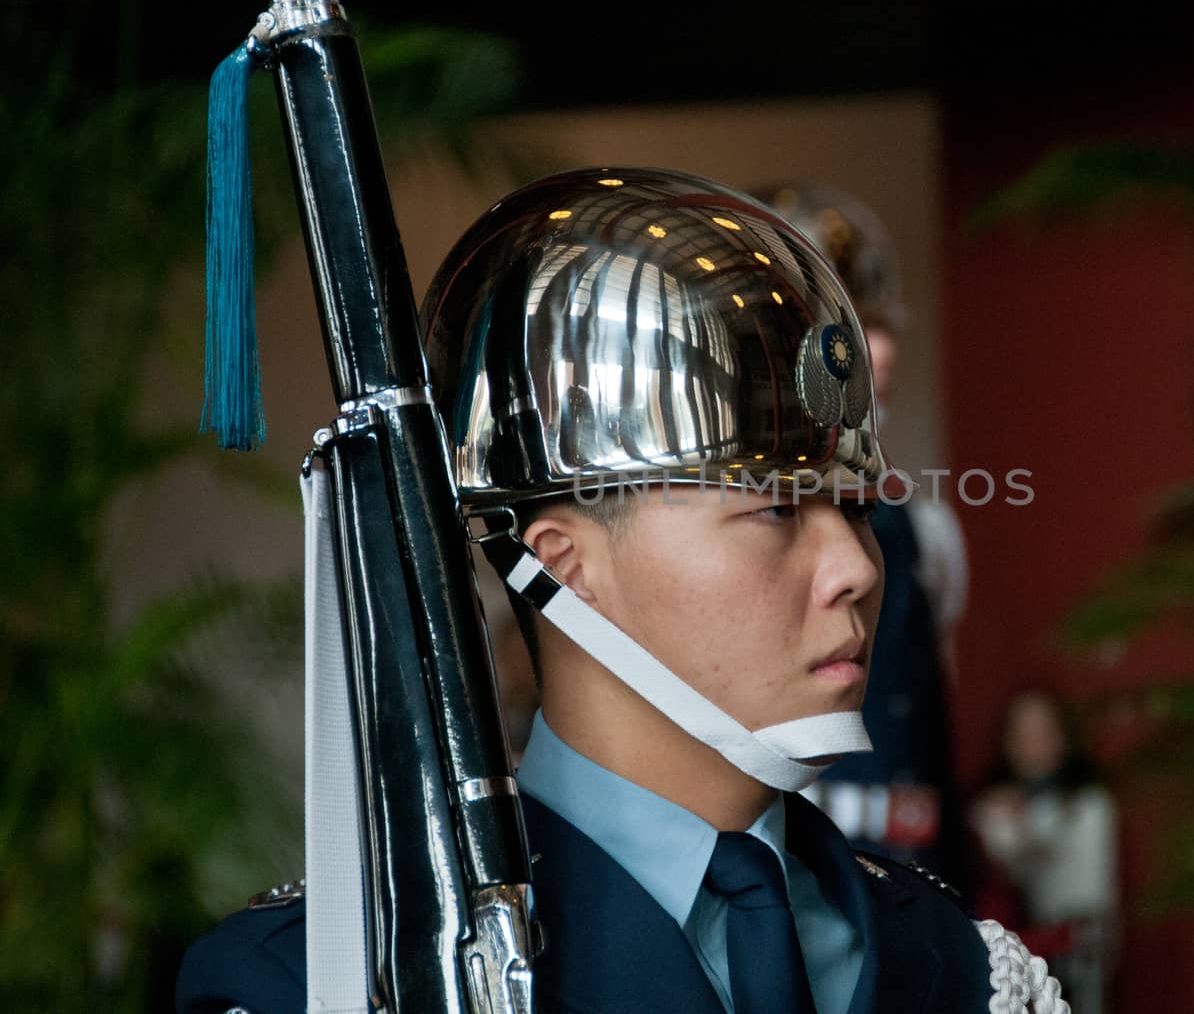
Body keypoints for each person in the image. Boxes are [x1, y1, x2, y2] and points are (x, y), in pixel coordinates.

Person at [176, 168, 1065, 1013]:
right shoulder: (328, 978)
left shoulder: (969, 969)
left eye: (857, 507)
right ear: (564, 565)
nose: (858, 568)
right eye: (777, 512)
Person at [754, 183, 972, 886]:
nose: (876, 352)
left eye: (880, 325)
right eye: (844, 324)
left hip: (909, 877)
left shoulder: (926, 529)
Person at [971, 690, 1118, 1014]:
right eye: (1022, 733)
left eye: (1042, 731)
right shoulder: (989, 802)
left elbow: (1051, 858)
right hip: (1006, 955)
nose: (1032, 743)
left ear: (1063, 737)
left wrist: (1023, 827)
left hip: (1072, 950)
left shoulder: (1087, 803)